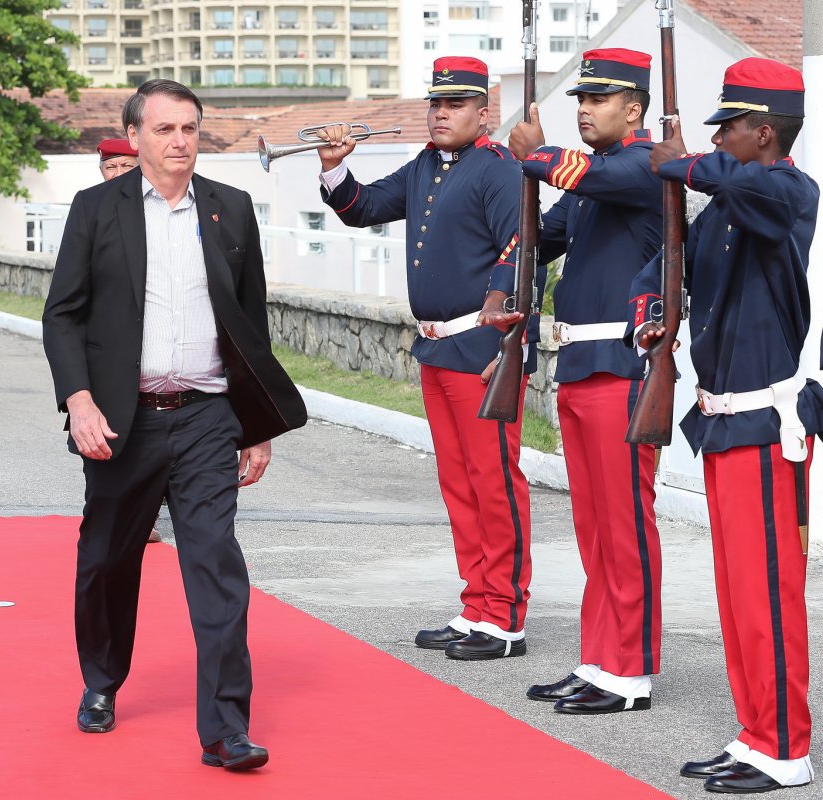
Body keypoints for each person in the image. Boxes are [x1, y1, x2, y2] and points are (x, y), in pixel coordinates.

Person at [42, 79, 306, 771]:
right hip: (121, 422)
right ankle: (101, 681)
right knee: (105, 561)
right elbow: (62, 314)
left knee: (216, 565)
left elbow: (251, 328)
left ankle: (225, 730)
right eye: (165, 130)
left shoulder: (231, 210)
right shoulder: (96, 209)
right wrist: (79, 400)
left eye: (190, 128)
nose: (180, 141)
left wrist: (256, 423)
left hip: (207, 418)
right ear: (135, 137)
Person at [631, 58, 821, 794]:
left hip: (769, 427)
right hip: (721, 427)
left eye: (731, 126)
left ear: (764, 132)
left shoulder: (785, 192)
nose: (721, 139)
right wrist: (649, 311)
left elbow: (740, 185)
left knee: (769, 596)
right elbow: (666, 265)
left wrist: (684, 163)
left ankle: (785, 747)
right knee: (738, 594)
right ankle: (755, 733)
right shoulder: (728, 204)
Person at [315, 56, 536, 661]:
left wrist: (508, 341)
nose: (441, 114)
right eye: (435, 104)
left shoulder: (497, 170)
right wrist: (335, 168)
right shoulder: (424, 166)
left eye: (455, 105)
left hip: (479, 346)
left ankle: (506, 613)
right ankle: (477, 604)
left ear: (481, 113)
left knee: (494, 483)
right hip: (435, 346)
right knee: (458, 484)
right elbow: (363, 206)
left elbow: (520, 251)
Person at [501, 49, 663, 715]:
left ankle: (631, 671)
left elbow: (574, 173)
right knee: (595, 529)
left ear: (634, 109)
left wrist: (533, 158)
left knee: (625, 528)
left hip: (624, 370)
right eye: (581, 100)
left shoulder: (644, 167)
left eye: (600, 101)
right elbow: (540, 236)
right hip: (581, 369)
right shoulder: (596, 185)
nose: (586, 109)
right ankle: (599, 659)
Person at [95, 136, 162, 545]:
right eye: (110, 167)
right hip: (109, 350)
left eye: (125, 166)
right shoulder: (91, 210)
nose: (117, 174)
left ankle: (146, 514)